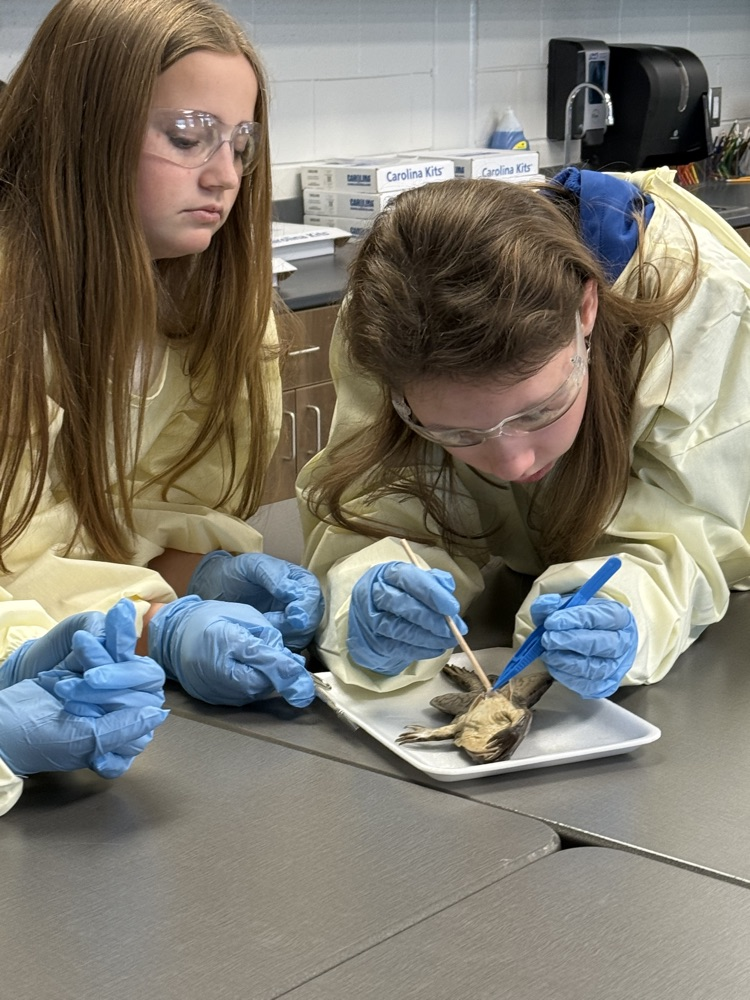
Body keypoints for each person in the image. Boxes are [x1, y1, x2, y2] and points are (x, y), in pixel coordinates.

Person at [0, 0, 323, 810]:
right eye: (187, 136)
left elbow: (118, 524)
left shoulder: (208, 304)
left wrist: (197, 574)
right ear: (83, 132)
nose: (224, 176)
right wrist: (159, 627)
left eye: (240, 143)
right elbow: (15, 556)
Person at [297, 167, 750, 696]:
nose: (513, 465)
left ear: (586, 310)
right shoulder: (389, 320)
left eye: (537, 412)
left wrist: (629, 605)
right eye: (457, 432)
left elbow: (693, 528)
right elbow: (383, 493)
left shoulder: (705, 308)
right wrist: (373, 583)